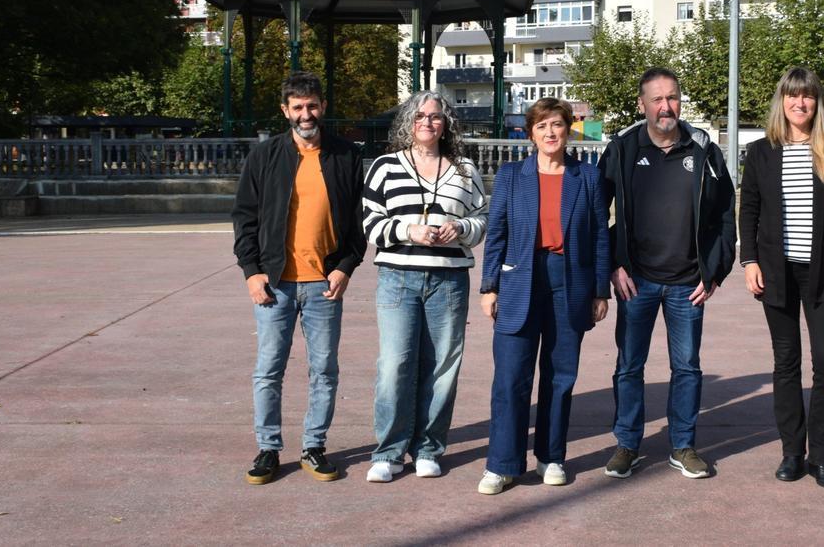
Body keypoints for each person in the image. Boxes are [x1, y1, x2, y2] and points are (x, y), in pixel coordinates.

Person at [598, 67, 737, 480]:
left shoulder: (703, 151)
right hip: (635, 282)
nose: (666, 106)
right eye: (657, 99)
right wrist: (612, 264)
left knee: (687, 367)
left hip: (687, 283)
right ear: (642, 105)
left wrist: (713, 271)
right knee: (629, 367)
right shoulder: (622, 149)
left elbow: (727, 214)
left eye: (672, 97)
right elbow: (592, 212)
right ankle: (627, 444)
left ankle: (683, 445)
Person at [231, 71, 365, 485]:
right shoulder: (266, 156)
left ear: (322, 107)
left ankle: (314, 446)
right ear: (285, 110)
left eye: (312, 106)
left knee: (324, 369)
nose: (305, 114)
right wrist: (252, 273)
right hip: (274, 284)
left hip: (325, 283)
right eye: (297, 107)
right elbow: (245, 219)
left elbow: (361, 222)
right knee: (269, 368)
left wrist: (345, 265)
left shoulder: (346, 156)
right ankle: (268, 448)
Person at [477, 98, 610, 495]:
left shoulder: (586, 177)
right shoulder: (511, 175)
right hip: (520, 279)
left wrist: (600, 290)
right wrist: (489, 287)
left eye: (557, 124)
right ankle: (502, 464)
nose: (550, 132)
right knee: (510, 377)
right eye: (542, 126)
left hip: (569, 281)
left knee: (560, 376)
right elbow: (497, 233)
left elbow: (600, 235)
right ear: (530, 133)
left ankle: (551, 457)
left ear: (568, 129)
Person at [738, 66, 824, 490]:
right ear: (782, 101)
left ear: (817, 101)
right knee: (785, 364)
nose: (800, 103)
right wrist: (749, 260)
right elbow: (749, 211)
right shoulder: (760, 152)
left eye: (807, 96)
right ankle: (792, 452)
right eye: (793, 96)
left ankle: (823, 457)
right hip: (775, 272)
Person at [361, 91, 488, 483]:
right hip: (399, 277)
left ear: (446, 123)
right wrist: (408, 229)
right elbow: (370, 224)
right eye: (420, 117)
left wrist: (460, 228)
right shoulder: (385, 166)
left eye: (436, 116)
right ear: (407, 123)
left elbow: (482, 218)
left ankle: (429, 447)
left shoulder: (465, 169)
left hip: (449, 278)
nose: (428, 123)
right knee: (395, 364)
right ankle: (390, 451)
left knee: (443, 366)